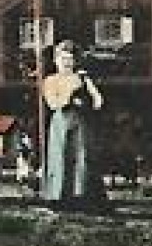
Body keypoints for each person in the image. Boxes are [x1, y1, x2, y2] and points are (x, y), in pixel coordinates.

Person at [39, 40, 108, 212]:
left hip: (80, 121)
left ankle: (80, 197)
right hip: (61, 122)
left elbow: (98, 101)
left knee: (81, 156)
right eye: (63, 58)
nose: (67, 62)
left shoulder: (82, 77)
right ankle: (57, 197)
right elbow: (53, 103)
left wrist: (88, 87)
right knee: (59, 157)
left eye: (70, 59)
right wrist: (71, 95)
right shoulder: (50, 80)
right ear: (56, 60)